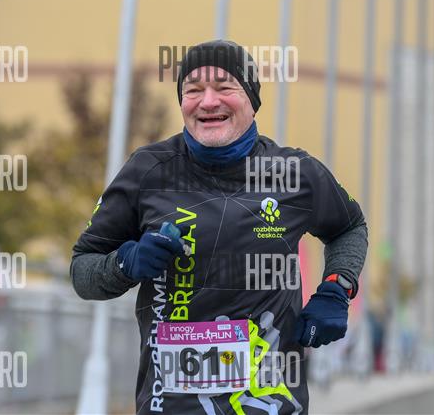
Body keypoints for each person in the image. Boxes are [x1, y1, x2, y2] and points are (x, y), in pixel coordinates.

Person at [70, 40, 368, 414]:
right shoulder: (147, 171)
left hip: (269, 403)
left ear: (252, 100)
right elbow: (82, 271)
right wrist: (125, 264)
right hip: (170, 406)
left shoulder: (296, 173)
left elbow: (350, 226)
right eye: (193, 90)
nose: (208, 102)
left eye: (225, 87)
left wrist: (336, 288)